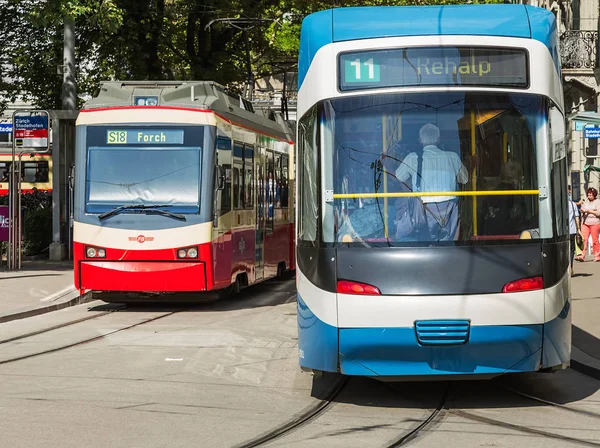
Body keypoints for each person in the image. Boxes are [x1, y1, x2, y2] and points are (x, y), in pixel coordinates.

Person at [394, 123, 468, 240]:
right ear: (438, 139)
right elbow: (464, 179)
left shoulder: (412, 158)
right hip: (450, 213)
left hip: (422, 211)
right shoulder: (453, 157)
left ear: (419, 140)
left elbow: (398, 177)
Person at [482, 160, 527, 236]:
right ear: (516, 178)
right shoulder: (517, 197)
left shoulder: (489, 195)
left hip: (489, 239)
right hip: (512, 240)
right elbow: (520, 224)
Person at [575, 187, 600, 262]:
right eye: (588, 195)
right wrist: (582, 210)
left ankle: (597, 256)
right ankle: (581, 255)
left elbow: (598, 213)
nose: (589, 196)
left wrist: (589, 211)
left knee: (595, 240)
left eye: (590, 195)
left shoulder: (597, 201)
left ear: (594, 195)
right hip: (585, 222)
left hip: (595, 223)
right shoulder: (586, 201)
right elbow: (583, 208)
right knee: (583, 239)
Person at [568, 185, 581, 275]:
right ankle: (571, 267)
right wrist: (578, 229)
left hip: (561, 232)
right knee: (571, 250)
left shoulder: (557, 203)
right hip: (571, 231)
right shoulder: (573, 204)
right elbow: (577, 217)